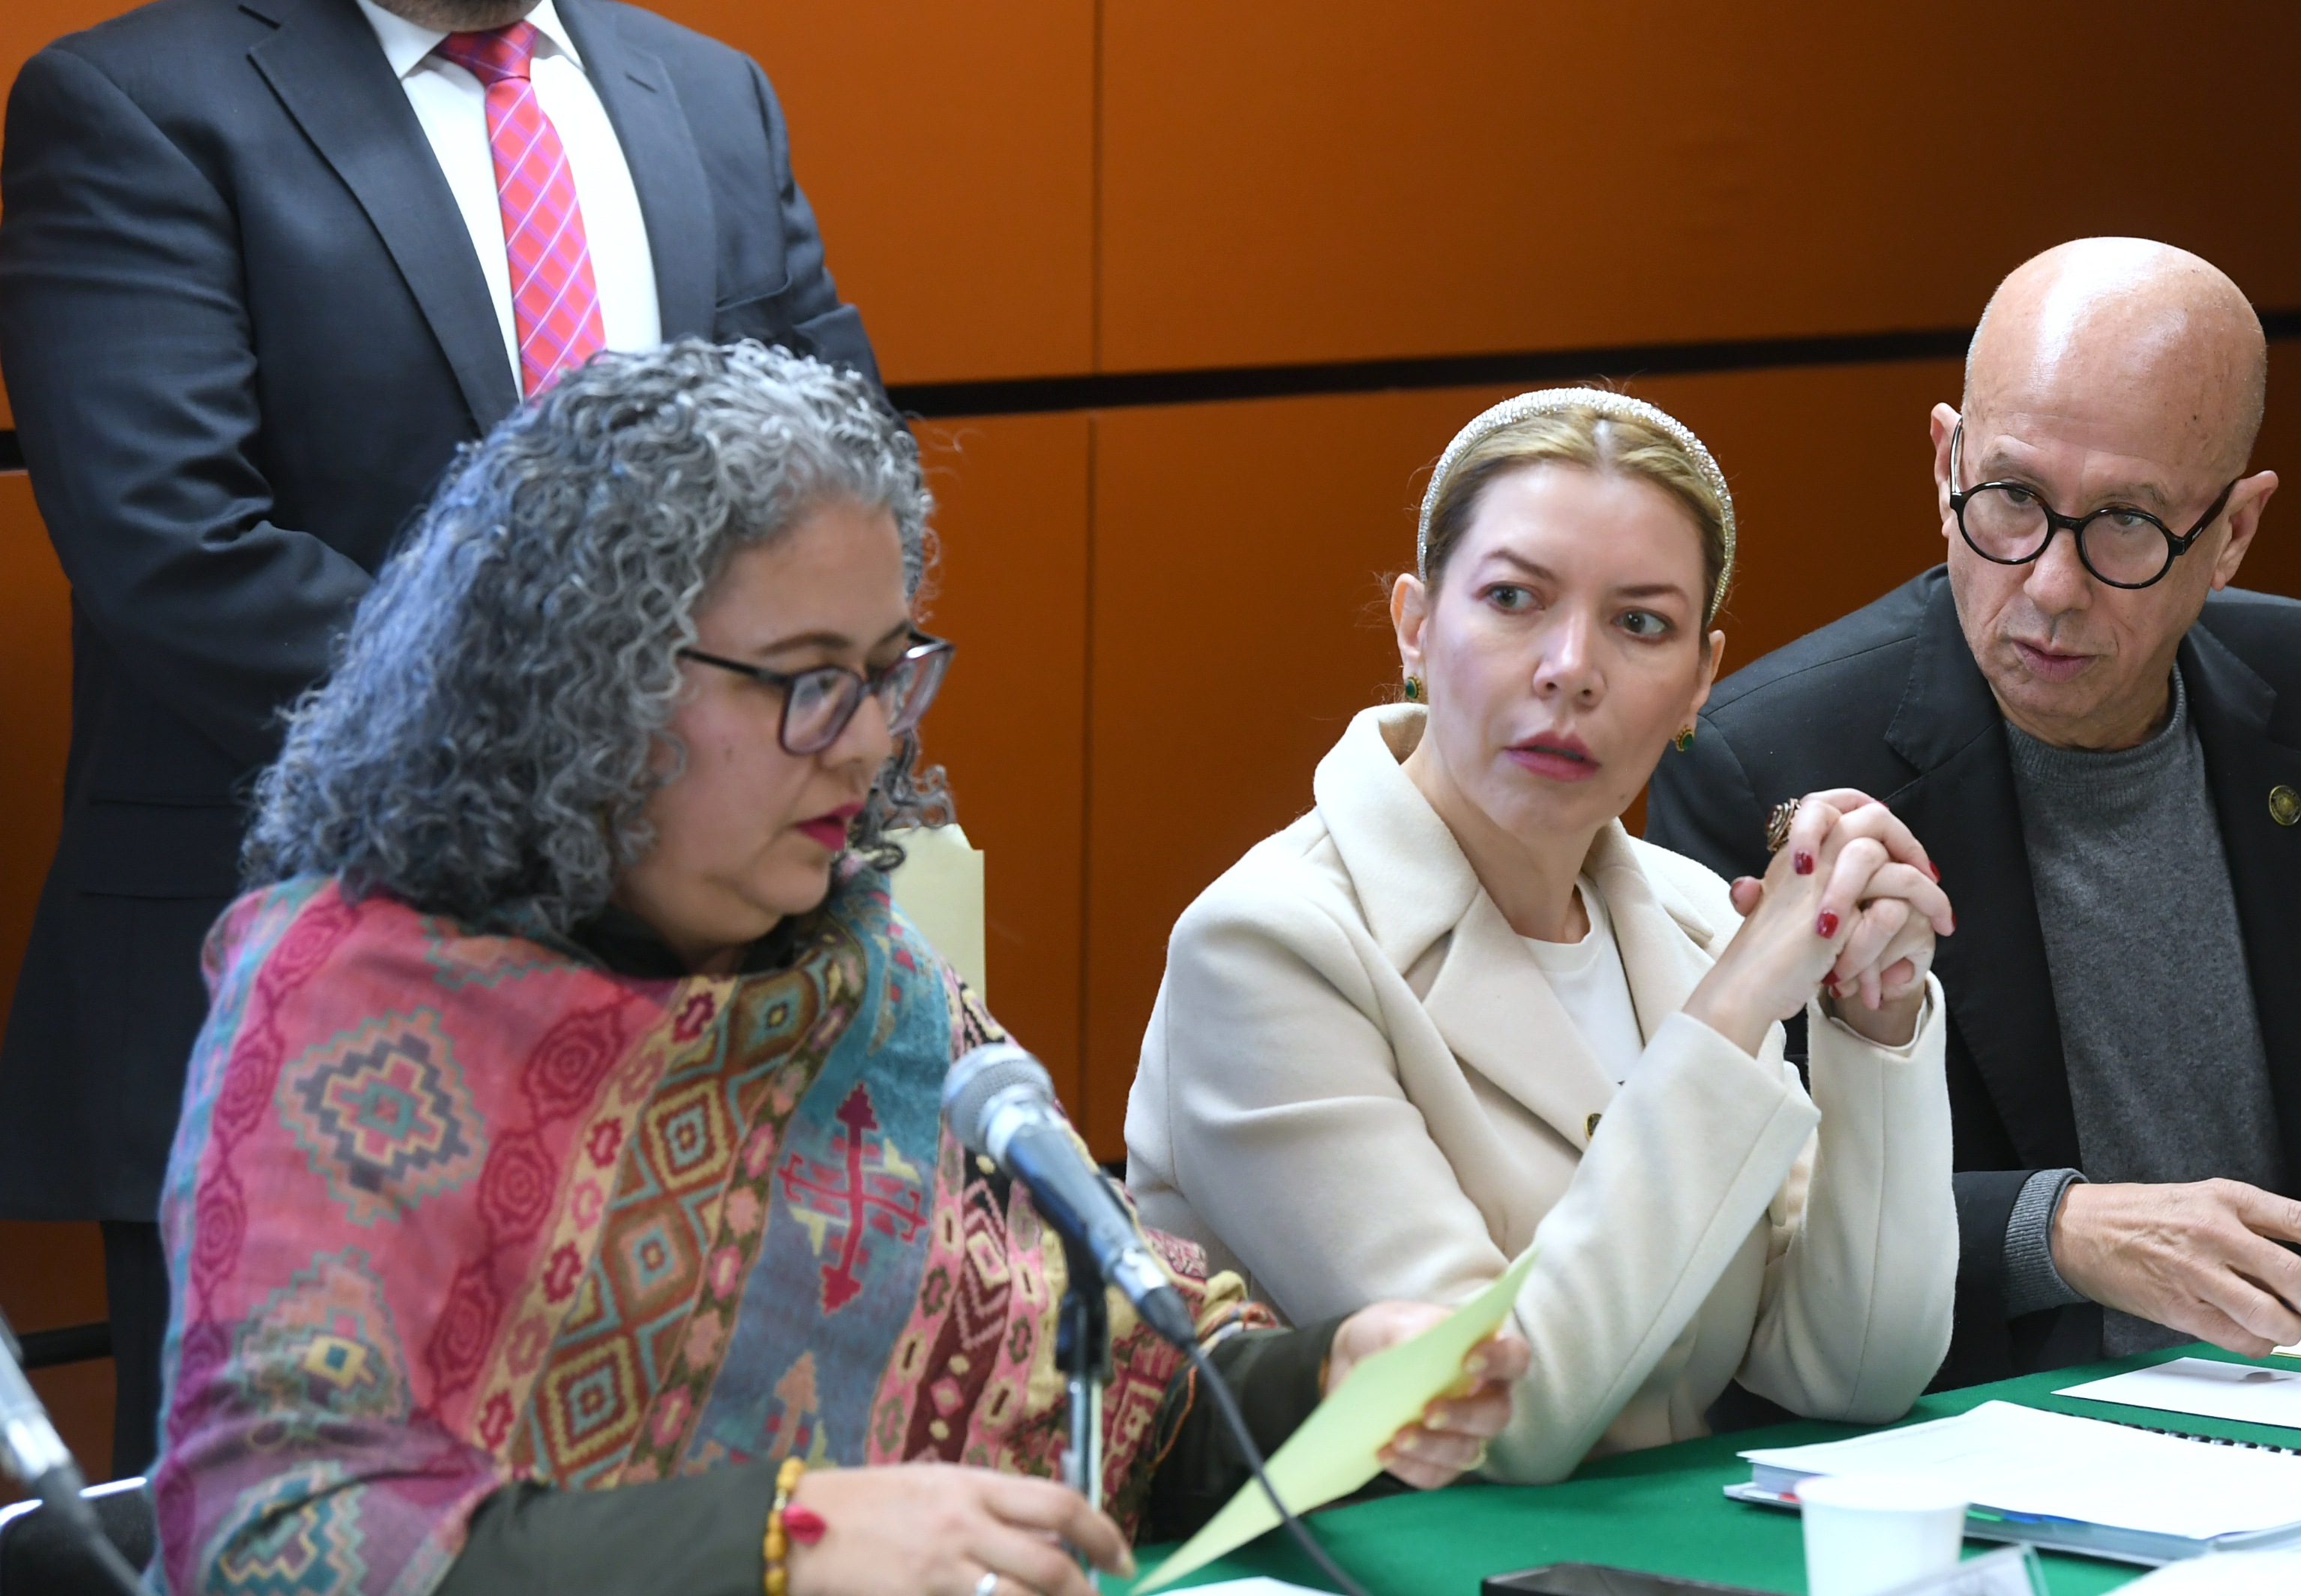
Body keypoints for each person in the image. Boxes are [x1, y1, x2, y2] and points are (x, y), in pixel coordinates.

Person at [152, 341, 1523, 1596]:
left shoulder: (864, 976)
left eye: (886, 671)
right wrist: (781, 1539)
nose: (869, 741)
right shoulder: (351, 1006)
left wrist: (1320, 1385)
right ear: (589, 678)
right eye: (808, 678)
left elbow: (1112, 1409)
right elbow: (268, 1537)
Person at [0, 0, 878, 1468]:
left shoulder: (707, 98)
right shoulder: (140, 110)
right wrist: (630, 746)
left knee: (667, 1529)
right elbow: (179, 550)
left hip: (701, 1003)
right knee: (307, 1536)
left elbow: (839, 493)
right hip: (307, 998)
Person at [1647, 238, 2301, 1388]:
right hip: (1991, 1433)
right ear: (1943, 464)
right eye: (2011, 499)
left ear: (2231, 533)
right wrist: (2058, 1231)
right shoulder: (1765, 761)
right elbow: (1739, 1210)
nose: (2049, 585)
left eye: (2126, 521)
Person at [1126, 389, 1958, 1484]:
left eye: (1640, 623)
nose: (1572, 666)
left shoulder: (1694, 918)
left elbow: (1854, 1371)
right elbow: (1497, 1425)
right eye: (1513, 598)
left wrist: (1874, 1020)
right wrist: (1739, 1002)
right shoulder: (1265, 944)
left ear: (1700, 680)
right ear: (1415, 626)